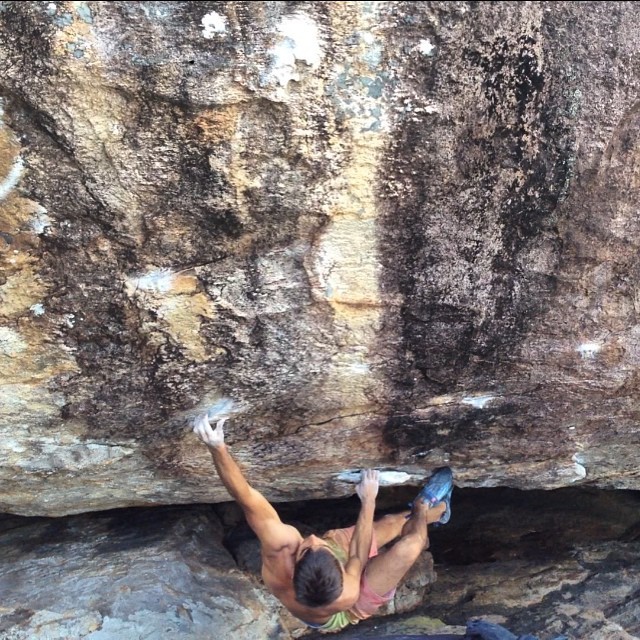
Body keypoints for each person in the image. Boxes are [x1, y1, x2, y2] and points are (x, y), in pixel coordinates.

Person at [193, 412, 453, 634]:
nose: (316, 539)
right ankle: (425, 507)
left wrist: (217, 447)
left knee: (390, 523)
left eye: (317, 547)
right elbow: (358, 556)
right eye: (310, 547)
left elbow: (246, 497)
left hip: (331, 578)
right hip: (343, 612)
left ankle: (436, 513)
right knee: (408, 547)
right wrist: (368, 502)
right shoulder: (345, 590)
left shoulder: (298, 547)